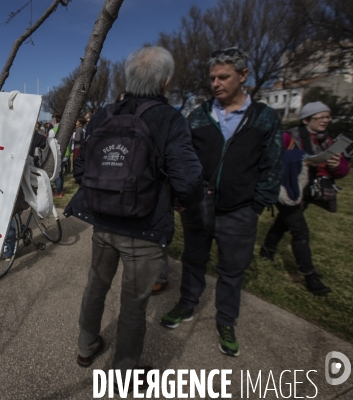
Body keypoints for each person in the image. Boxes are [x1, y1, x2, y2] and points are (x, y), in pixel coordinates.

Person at [65, 46, 203, 375]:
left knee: (95, 286)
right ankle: (124, 373)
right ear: (165, 82)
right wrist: (181, 200)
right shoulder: (170, 120)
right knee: (133, 303)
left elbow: (80, 169)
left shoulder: (103, 115)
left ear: (128, 77)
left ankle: (86, 347)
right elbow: (189, 178)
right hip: (145, 226)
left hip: (103, 222)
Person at [160, 47, 284, 357]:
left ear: (243, 76)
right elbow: (184, 159)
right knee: (193, 260)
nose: (216, 83)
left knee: (232, 271)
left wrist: (257, 205)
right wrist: (182, 195)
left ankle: (226, 321)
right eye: (212, 77)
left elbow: (273, 165)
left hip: (240, 212)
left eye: (223, 77)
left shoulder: (264, 118)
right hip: (199, 208)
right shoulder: (199, 115)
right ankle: (187, 305)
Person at [260, 101, 349, 295]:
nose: (325, 121)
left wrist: (335, 165)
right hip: (288, 189)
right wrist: (299, 160)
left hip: (309, 192)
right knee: (300, 232)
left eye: (327, 117)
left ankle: (267, 250)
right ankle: (310, 275)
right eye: (320, 117)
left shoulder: (328, 141)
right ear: (306, 119)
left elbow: (342, 171)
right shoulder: (288, 137)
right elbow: (271, 157)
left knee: (283, 223)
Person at [48, 115, 64, 197]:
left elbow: (50, 143)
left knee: (57, 174)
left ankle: (58, 191)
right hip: (65, 153)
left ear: (54, 122)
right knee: (61, 173)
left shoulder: (52, 130)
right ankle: (60, 189)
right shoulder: (64, 129)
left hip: (57, 154)